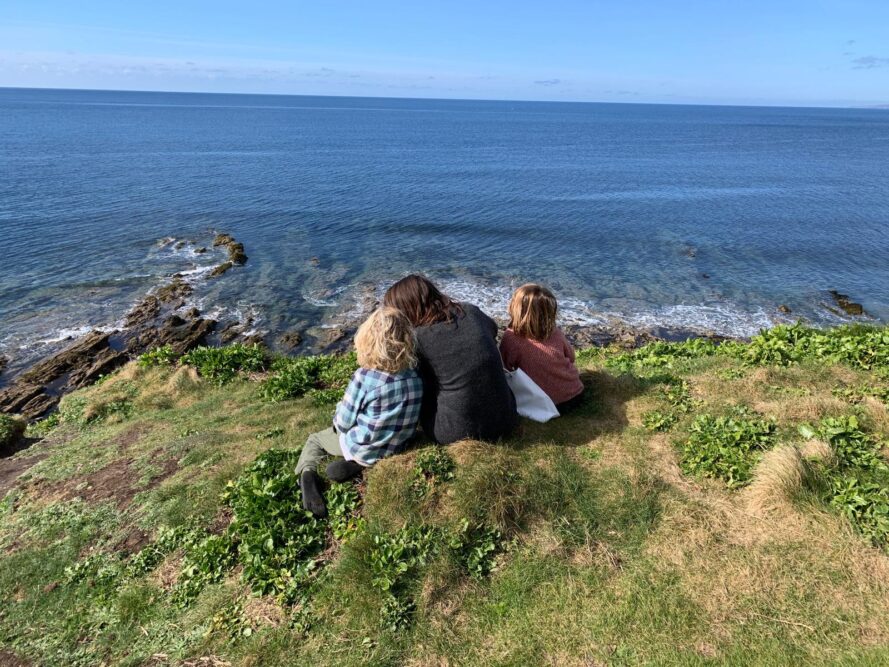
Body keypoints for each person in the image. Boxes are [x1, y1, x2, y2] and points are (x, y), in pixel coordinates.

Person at [296, 307, 423, 518]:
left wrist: (338, 410)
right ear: (407, 340)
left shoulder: (364, 377)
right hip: (396, 446)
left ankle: (307, 475)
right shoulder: (415, 377)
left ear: (367, 340)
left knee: (315, 440)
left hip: (364, 445)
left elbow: (343, 423)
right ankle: (358, 463)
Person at [383, 274, 518, 444]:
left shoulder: (418, 339)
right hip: (506, 417)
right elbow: (492, 330)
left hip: (455, 432)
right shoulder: (471, 311)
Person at [499, 284, 584, 413]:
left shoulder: (511, 338)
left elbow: (505, 368)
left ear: (516, 308)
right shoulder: (555, 332)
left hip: (545, 404)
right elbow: (571, 357)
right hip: (575, 393)